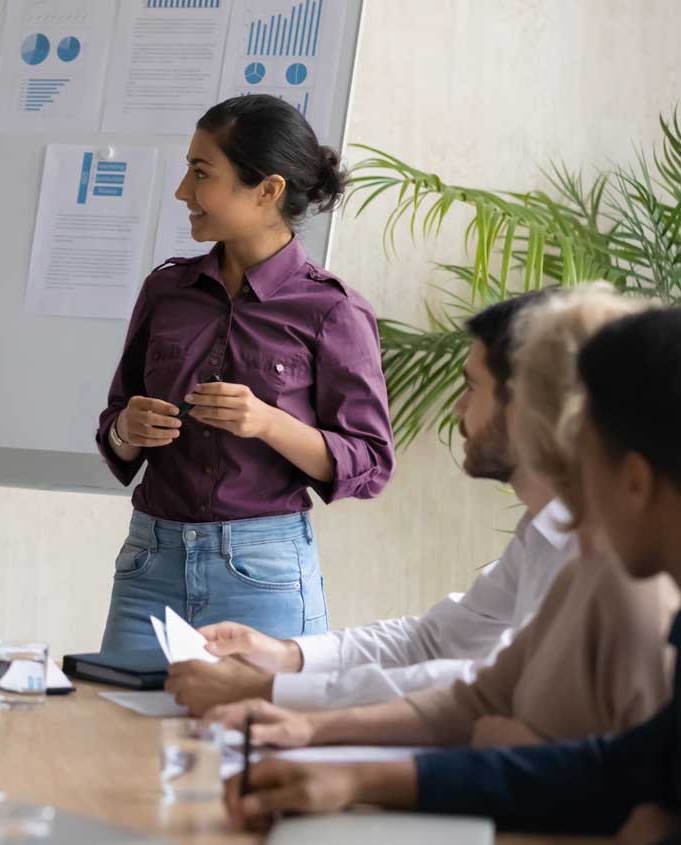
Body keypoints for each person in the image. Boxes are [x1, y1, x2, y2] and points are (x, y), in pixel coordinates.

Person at [223, 306, 681, 842]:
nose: (569, 468)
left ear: (633, 481)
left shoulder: (632, 589)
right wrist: (350, 770)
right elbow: (620, 766)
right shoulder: (579, 565)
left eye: (586, 450)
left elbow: (633, 807)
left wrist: (508, 742)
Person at [166, 292, 576, 715]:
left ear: (533, 406)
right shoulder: (543, 530)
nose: (458, 406)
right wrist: (286, 656)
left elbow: (485, 682)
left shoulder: (604, 553)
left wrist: (268, 690)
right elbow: (432, 642)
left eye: (473, 387)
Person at [95, 94, 394, 652]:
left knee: (259, 737)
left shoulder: (333, 310)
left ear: (267, 190)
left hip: (264, 570)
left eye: (201, 173)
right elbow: (115, 422)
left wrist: (267, 423)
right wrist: (126, 430)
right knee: (120, 729)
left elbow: (371, 463)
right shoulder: (167, 290)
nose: (184, 191)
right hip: (148, 563)